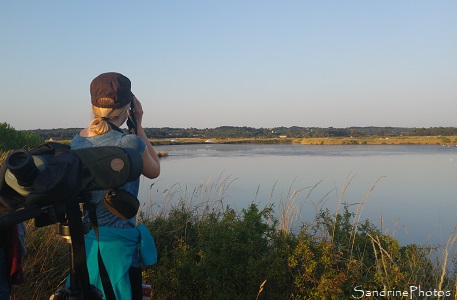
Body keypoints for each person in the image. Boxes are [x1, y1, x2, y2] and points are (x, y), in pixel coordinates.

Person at [70, 72, 160, 299]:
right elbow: (154, 170)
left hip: (87, 243)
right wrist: (139, 125)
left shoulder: (77, 141)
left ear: (93, 106)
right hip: (120, 247)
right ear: (128, 106)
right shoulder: (128, 141)